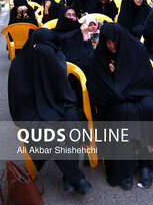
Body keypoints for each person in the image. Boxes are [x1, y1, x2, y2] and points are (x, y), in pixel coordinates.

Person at [87, 23, 153, 190]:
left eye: (114, 42)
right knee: (124, 112)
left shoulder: (135, 49)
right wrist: (112, 76)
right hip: (115, 100)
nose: (112, 46)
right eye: (108, 43)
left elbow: (145, 80)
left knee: (150, 107)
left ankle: (146, 162)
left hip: (140, 93)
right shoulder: (101, 57)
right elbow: (98, 87)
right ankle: (124, 168)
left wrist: (119, 76)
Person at [8, 28, 92, 195]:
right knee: (48, 133)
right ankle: (75, 176)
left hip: (59, 104)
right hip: (30, 110)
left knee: (72, 120)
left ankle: (68, 175)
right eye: (39, 47)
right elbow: (19, 102)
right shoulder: (19, 65)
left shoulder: (57, 58)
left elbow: (64, 92)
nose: (43, 52)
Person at [53, 6, 94, 74]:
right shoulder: (55, 33)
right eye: (68, 15)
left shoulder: (81, 30)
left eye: (74, 15)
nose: (71, 17)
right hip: (62, 67)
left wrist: (85, 34)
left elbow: (89, 52)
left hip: (81, 66)